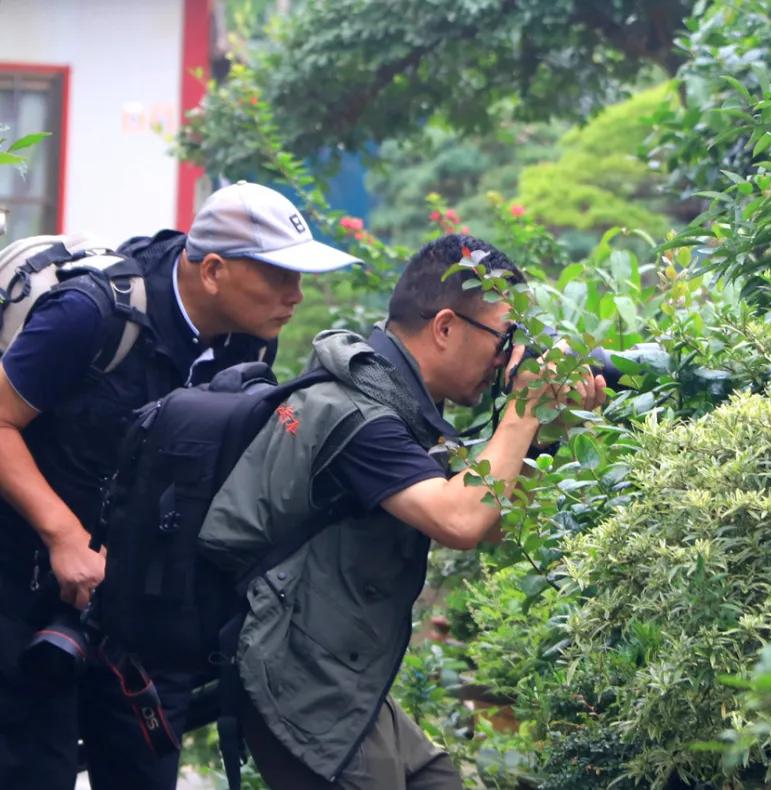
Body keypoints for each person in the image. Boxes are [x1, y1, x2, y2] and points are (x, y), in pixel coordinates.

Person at [197, 233, 607, 789]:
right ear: (444, 327)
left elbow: (492, 524)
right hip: (296, 674)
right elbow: (460, 521)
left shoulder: (403, 403)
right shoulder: (359, 414)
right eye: (504, 337)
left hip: (340, 673)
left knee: (437, 780)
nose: (506, 357)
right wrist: (525, 409)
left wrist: (548, 431)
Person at [0, 181, 359, 790]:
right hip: (25, 579)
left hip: (136, 600)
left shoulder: (249, 340)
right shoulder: (92, 314)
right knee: (38, 769)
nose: (296, 296)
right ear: (214, 270)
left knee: (145, 769)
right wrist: (64, 537)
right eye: (280, 277)